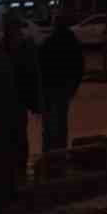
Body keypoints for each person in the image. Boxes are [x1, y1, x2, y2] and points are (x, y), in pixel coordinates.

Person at [0, 14, 41, 213]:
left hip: (15, 108)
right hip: (2, 109)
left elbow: (32, 78)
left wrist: (34, 103)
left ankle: (13, 185)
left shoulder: (23, 51)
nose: (14, 33)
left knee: (16, 147)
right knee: (0, 149)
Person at [38, 14, 83, 155]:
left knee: (49, 126)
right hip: (63, 87)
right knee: (61, 123)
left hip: (51, 88)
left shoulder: (49, 42)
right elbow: (79, 66)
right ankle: (59, 154)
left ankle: (49, 155)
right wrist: (73, 87)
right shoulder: (72, 42)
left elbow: (40, 64)